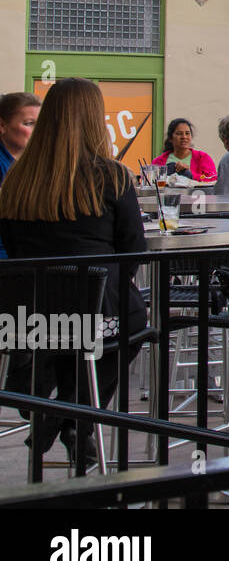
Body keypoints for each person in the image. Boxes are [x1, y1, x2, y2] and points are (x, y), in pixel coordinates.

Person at [0, 78, 148, 466]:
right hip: (97, 313)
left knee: (73, 339)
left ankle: (62, 417)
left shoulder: (17, 178)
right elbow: (133, 251)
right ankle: (69, 419)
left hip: (29, 317)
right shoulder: (113, 177)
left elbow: (13, 248)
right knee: (131, 323)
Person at [0, 92, 41, 259]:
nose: (37, 131)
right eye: (29, 123)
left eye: (40, 124)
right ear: (2, 126)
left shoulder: (35, 161)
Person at [151, 118, 217, 182]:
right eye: (179, 133)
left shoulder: (202, 158)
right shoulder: (158, 162)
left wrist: (190, 174)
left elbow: (213, 179)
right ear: (170, 138)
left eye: (187, 133)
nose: (184, 137)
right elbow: (151, 182)